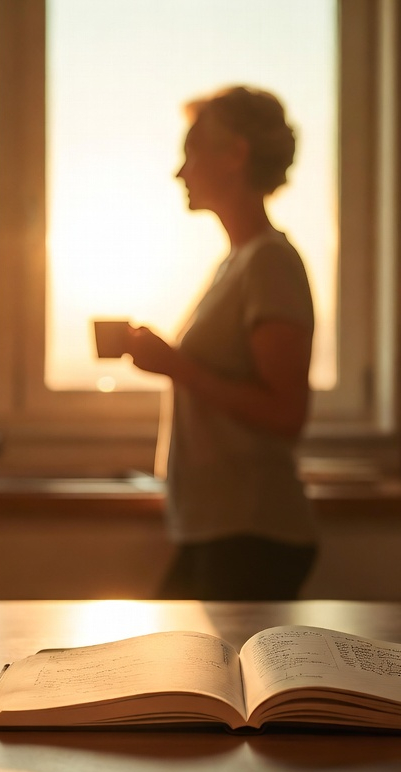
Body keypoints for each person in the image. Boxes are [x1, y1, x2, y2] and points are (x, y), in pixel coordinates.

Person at [125, 85, 317, 600]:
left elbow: (285, 414)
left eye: (191, 152)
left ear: (235, 156)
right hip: (222, 530)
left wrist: (176, 366)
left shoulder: (269, 262)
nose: (179, 171)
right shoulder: (236, 264)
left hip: (252, 533)